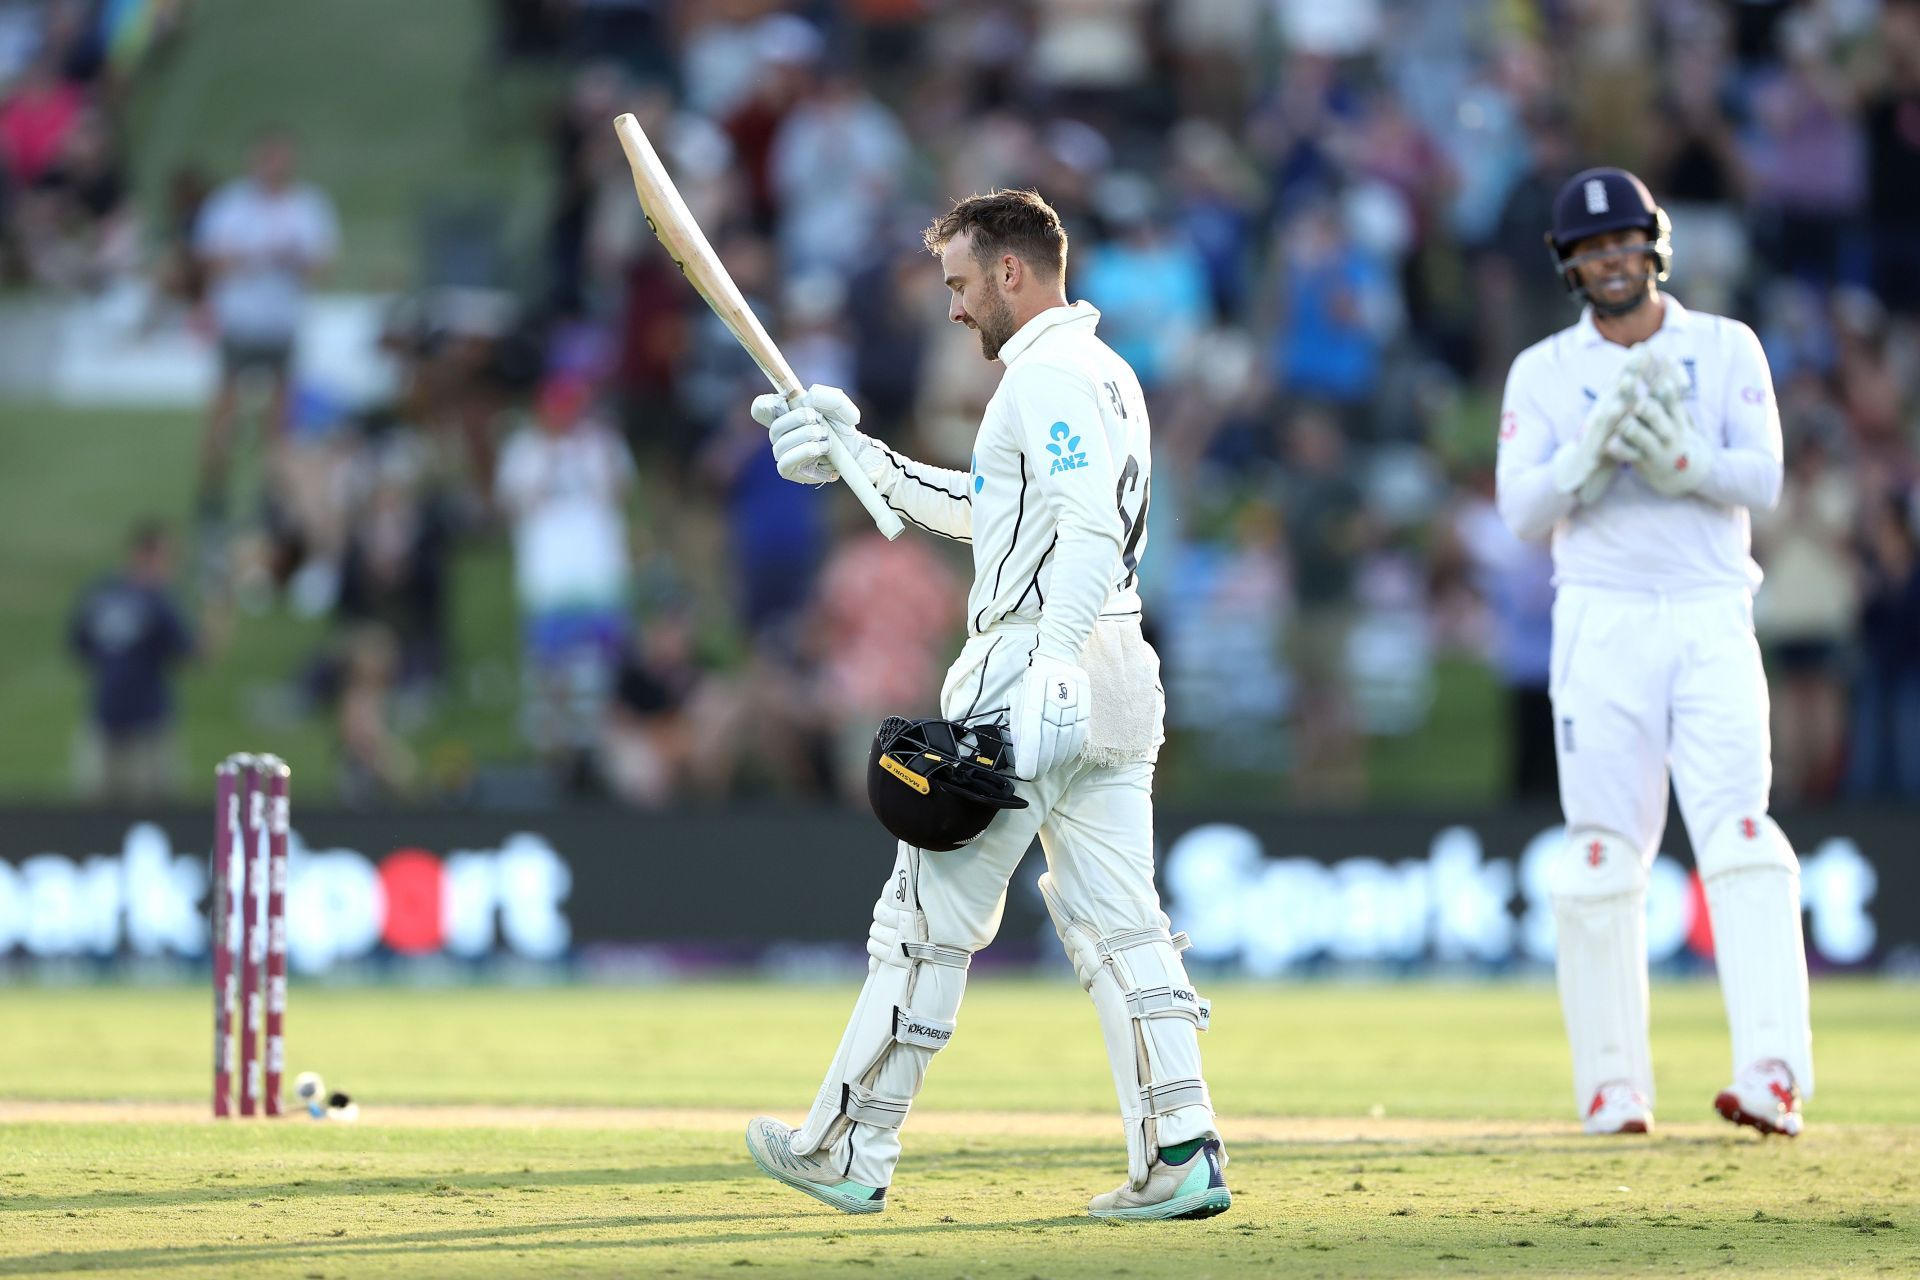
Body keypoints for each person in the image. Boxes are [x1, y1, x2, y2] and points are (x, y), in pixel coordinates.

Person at [741, 190, 1229, 1220]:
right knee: (1121, 923)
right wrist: (861, 460)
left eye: (961, 282)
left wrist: (1049, 660)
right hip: (1119, 663)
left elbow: (1086, 522)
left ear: (1012, 270)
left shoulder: (1047, 374)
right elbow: (999, 511)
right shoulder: (1101, 372)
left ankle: (849, 1146)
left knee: (924, 922)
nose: (955, 307)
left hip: (1039, 660)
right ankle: (1181, 1149)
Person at [1495, 167, 1811, 1138]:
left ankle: (1773, 1072)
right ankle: (1612, 1086)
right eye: (1591, 250)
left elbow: (1764, 478)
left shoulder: (1725, 346)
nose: (1610, 261)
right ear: (1570, 265)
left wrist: (1688, 468)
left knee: (1743, 836)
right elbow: (1520, 513)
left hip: (1713, 609)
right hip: (1601, 616)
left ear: (1655, 245)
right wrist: (1582, 460)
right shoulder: (1543, 370)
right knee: (1598, 854)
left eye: (1624, 242)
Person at [192, 130, 338, 517]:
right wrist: (250, 258)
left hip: (281, 323)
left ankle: (272, 494)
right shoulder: (230, 204)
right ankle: (213, 493)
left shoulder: (307, 206)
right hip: (240, 322)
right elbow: (208, 258)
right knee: (224, 413)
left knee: (280, 419)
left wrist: (292, 261)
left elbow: (321, 265)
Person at [68, 521, 195, 801]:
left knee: (104, 805)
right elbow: (191, 653)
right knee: (145, 807)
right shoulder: (158, 602)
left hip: (124, 715)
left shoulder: (101, 592)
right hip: (134, 720)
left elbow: (78, 648)